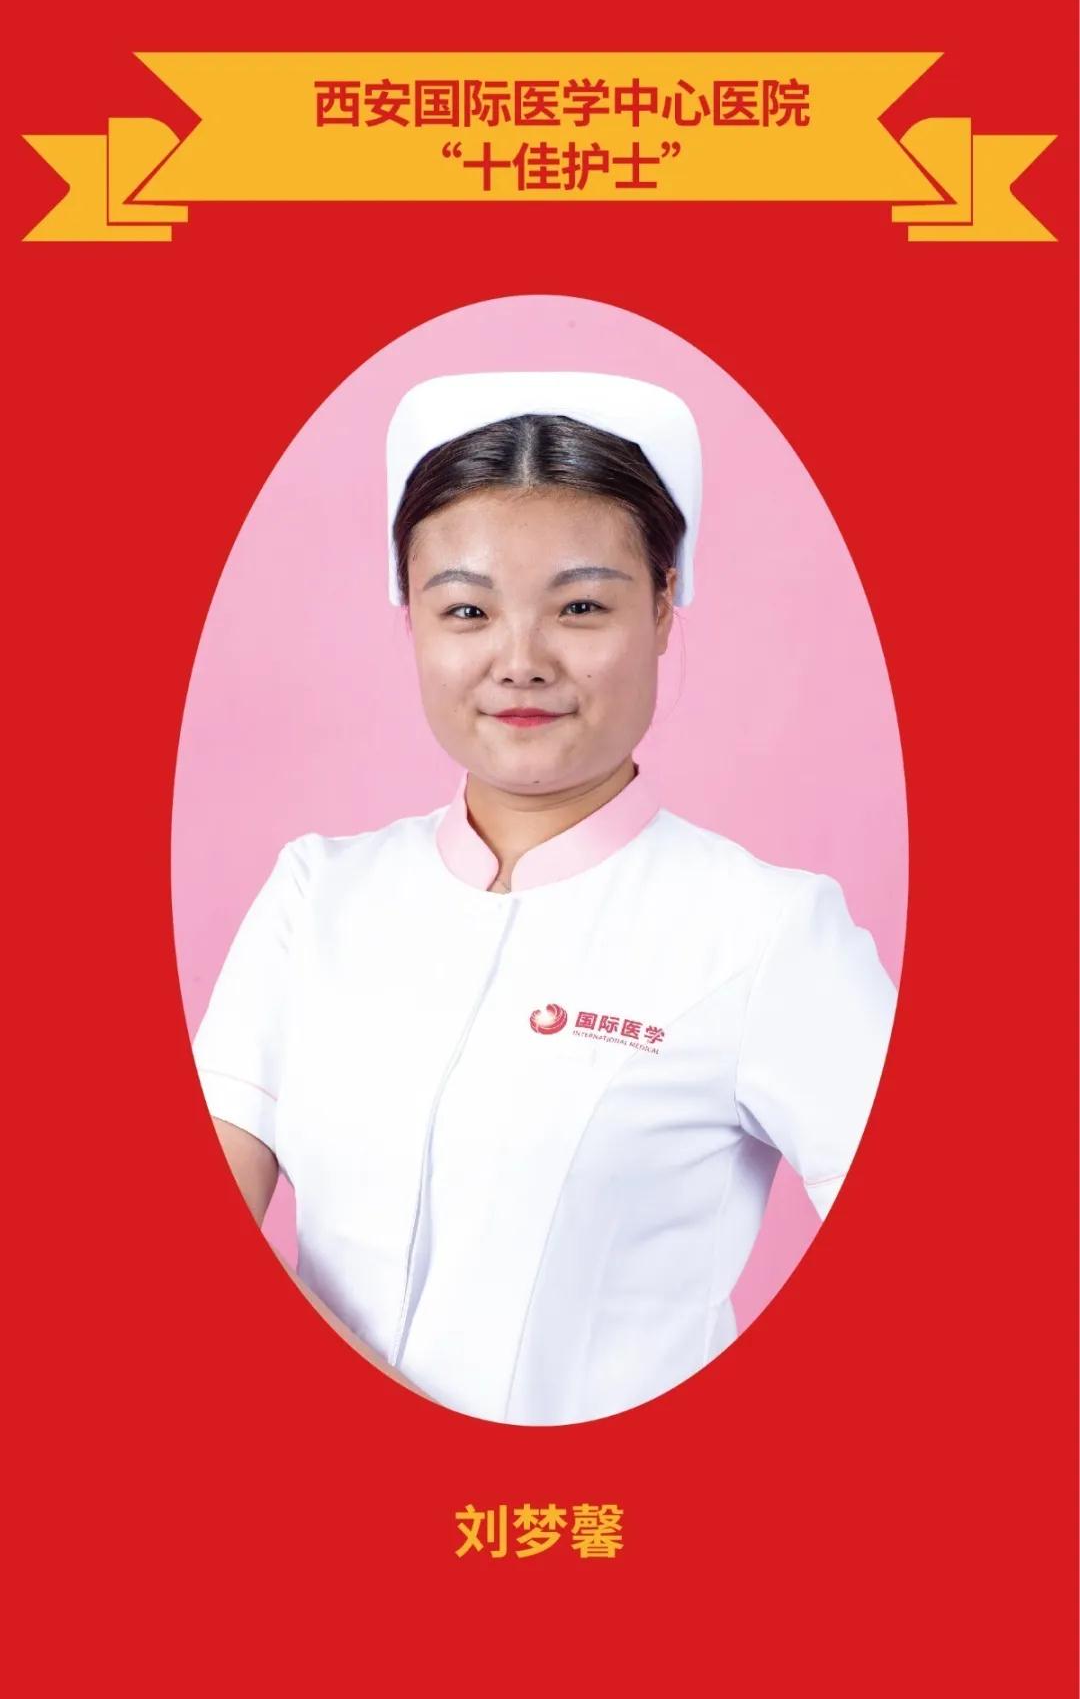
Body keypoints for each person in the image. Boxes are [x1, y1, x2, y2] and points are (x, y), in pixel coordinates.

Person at [190, 361, 898, 1427]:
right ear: (413, 619)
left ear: (663, 608)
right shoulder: (316, 897)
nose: (519, 661)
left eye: (580, 606)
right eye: (467, 609)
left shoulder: (767, 933)